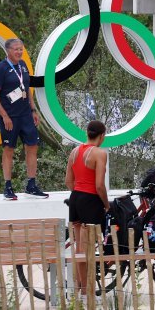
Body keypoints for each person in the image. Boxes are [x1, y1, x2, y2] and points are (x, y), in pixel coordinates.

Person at [0, 38, 48, 199]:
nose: (19, 52)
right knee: (9, 149)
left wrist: (33, 109)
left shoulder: (23, 66)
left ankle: (31, 184)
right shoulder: (0, 69)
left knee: (33, 146)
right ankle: (8, 187)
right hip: (10, 116)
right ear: (8, 51)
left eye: (21, 49)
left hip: (25, 115)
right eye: (16, 49)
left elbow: (26, 88)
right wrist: (4, 116)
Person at [64, 120, 110, 297]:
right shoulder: (99, 153)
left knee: (79, 249)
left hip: (75, 198)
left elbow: (68, 180)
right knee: (88, 249)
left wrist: (78, 195)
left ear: (87, 133)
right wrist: (106, 205)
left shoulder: (74, 152)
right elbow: (99, 185)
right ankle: (87, 292)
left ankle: (82, 290)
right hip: (91, 200)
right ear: (102, 135)